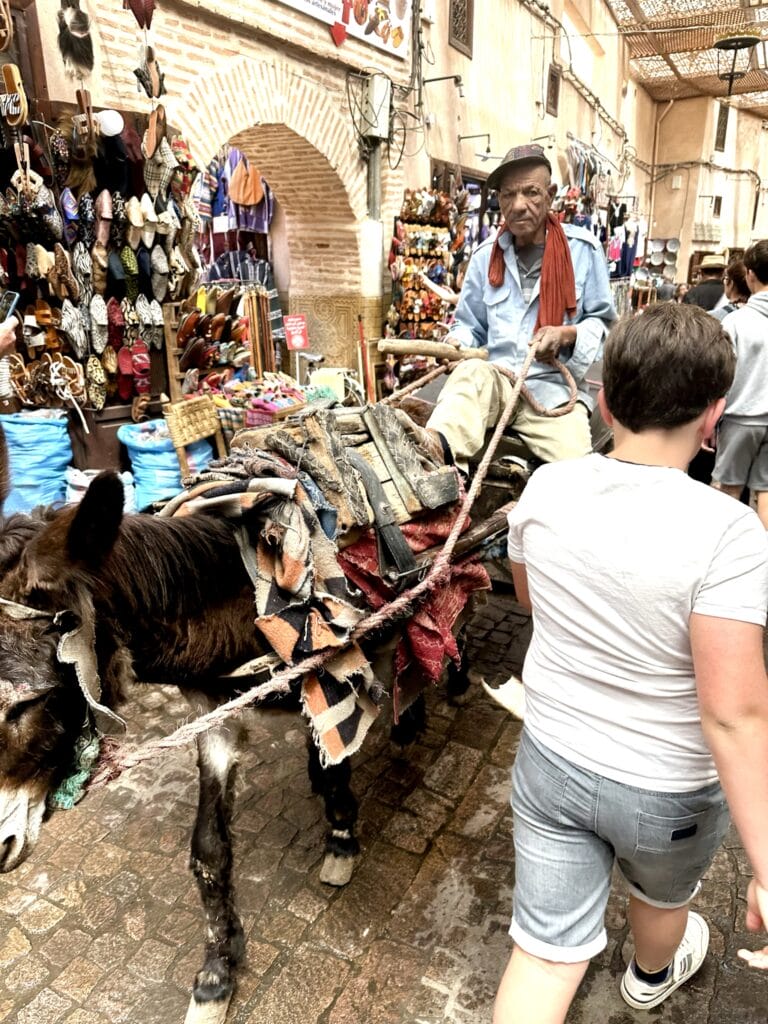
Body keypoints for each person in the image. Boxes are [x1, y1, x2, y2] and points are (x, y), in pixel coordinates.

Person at [493, 302, 768, 1024]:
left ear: (605, 401)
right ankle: (650, 975)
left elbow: (530, 598)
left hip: (552, 757)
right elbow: (734, 714)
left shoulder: (546, 488)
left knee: (545, 955)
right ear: (715, 416)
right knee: (661, 897)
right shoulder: (729, 534)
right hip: (667, 789)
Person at [410, 144, 616, 471]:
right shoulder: (483, 257)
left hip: (552, 392)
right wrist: (456, 343)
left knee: (579, 475)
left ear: (550, 195)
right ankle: (438, 463)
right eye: (508, 196)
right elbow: (469, 325)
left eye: (530, 193)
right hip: (495, 381)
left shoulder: (584, 251)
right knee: (470, 373)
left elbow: (605, 326)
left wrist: (566, 334)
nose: (518, 206)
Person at [711, 240, 768, 527]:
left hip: (741, 417)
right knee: (765, 494)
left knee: (726, 493)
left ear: (750, 274)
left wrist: (711, 416)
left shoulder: (736, 322)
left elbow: (720, 375)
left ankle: (721, 560)